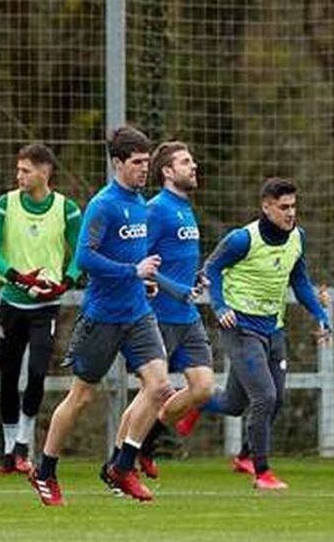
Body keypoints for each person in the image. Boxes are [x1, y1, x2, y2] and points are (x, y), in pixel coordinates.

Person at [27, 125, 171, 506]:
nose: (145, 169)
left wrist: (144, 282)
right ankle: (44, 470)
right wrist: (131, 273)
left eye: (148, 162)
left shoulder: (142, 203)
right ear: (118, 163)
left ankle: (122, 467)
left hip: (137, 313)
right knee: (82, 397)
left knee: (159, 387)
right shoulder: (103, 205)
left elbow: (132, 258)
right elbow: (85, 258)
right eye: (138, 163)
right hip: (102, 317)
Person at [160, 177, 331, 491]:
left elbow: (301, 283)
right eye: (283, 207)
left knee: (246, 403)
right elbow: (210, 269)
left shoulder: (298, 238)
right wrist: (220, 305)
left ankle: (201, 407)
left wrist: (320, 316)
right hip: (239, 328)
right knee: (264, 397)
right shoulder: (242, 239)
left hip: (273, 328)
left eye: (293, 206)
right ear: (266, 207)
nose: (291, 213)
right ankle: (262, 473)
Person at [111, 141, 211, 482]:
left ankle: (145, 442)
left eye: (192, 160)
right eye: (186, 161)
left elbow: (174, 259)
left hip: (188, 317)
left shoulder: (185, 207)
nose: (193, 166)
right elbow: (139, 262)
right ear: (168, 171)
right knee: (151, 392)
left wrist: (194, 278)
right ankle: (117, 462)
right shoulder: (155, 210)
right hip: (160, 315)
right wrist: (173, 287)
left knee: (203, 388)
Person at [0, 143, 82, 475]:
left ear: (44, 172)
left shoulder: (66, 209)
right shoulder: (5, 204)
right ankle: (9, 452)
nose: (19, 176)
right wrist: (16, 276)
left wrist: (65, 282)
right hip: (12, 302)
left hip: (46, 306)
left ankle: (24, 444)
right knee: (9, 376)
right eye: (19, 170)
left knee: (38, 373)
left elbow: (81, 251)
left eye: (25, 170)